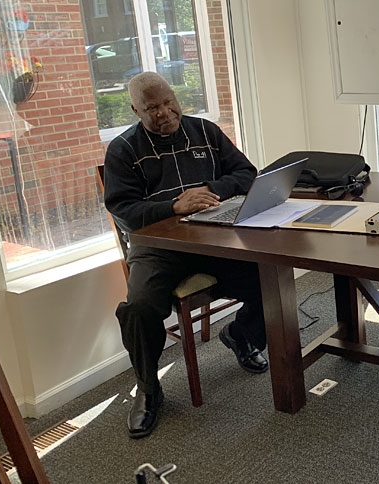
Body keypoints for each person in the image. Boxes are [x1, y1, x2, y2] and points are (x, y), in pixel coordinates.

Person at [104, 72, 269, 439]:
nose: (164, 113)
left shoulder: (205, 132)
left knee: (270, 273)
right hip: (158, 248)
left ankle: (241, 334)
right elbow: (122, 209)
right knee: (141, 307)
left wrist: (210, 190)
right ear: (136, 110)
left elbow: (246, 173)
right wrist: (174, 205)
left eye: (168, 102)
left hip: (214, 236)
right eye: (152, 108)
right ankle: (148, 390)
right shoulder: (123, 150)